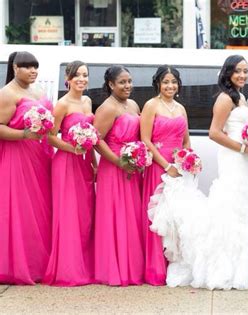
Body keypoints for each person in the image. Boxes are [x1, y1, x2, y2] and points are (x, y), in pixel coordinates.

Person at [148, 55, 248, 290]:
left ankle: (241, 265)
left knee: (242, 207)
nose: (243, 75)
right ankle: (224, 268)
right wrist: (246, 147)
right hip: (233, 158)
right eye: (238, 71)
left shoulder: (242, 96)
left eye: (246, 71)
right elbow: (214, 133)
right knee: (231, 206)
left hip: (244, 159)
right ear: (228, 73)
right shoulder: (225, 98)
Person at [0, 51, 52, 284]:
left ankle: (41, 263)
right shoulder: (7, 94)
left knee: (42, 210)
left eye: (35, 67)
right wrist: (24, 133)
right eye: (27, 67)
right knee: (22, 211)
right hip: (18, 158)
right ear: (14, 68)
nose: (33, 71)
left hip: (41, 156)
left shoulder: (38, 90)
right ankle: (19, 266)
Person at [43, 61, 95, 286]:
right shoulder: (61, 105)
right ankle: (68, 269)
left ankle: (84, 264)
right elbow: (50, 136)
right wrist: (72, 148)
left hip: (84, 162)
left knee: (84, 216)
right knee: (69, 215)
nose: (82, 79)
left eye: (85, 75)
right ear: (68, 78)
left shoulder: (87, 101)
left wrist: (93, 163)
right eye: (77, 76)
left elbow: (91, 135)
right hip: (65, 163)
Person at [94, 65, 144, 286]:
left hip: (131, 167)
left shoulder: (132, 104)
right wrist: (118, 162)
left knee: (130, 215)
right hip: (113, 168)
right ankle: (115, 269)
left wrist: (138, 157)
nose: (128, 86)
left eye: (130, 81)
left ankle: (131, 267)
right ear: (111, 85)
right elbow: (97, 139)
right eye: (122, 82)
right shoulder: (107, 108)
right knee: (115, 215)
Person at [141, 66, 190, 286]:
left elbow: (186, 139)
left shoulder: (181, 108)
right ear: (158, 84)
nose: (170, 86)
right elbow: (146, 139)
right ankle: (155, 268)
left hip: (179, 170)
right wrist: (166, 164)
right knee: (157, 217)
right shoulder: (151, 105)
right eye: (165, 82)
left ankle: (175, 264)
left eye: (174, 82)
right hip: (158, 169)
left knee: (177, 218)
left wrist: (187, 159)